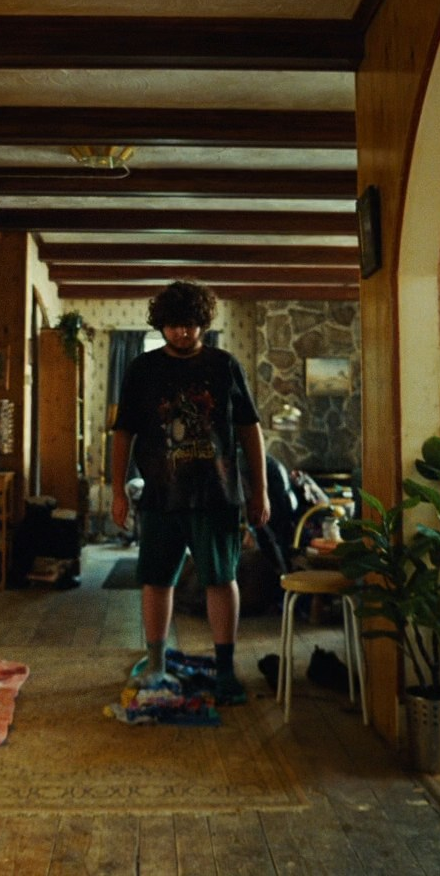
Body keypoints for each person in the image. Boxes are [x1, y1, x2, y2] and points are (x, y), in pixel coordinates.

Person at [110, 281, 268, 705]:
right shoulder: (142, 369)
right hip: (160, 496)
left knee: (222, 578)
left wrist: (260, 492)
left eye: (191, 324)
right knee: (155, 579)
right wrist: (118, 491)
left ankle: (225, 669)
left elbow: (250, 431)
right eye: (174, 324)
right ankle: (156, 663)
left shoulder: (224, 366)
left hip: (216, 494)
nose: (182, 332)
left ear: (204, 323)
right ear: (160, 324)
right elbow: (123, 432)